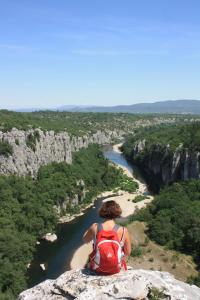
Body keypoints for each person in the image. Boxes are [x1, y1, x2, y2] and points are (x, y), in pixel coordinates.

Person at [83, 200, 131, 274]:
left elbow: (85, 240)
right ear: (117, 212)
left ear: (102, 212)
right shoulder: (124, 230)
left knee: (87, 265)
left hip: (97, 268)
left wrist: (90, 230)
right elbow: (127, 253)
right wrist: (117, 264)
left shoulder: (95, 227)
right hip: (116, 269)